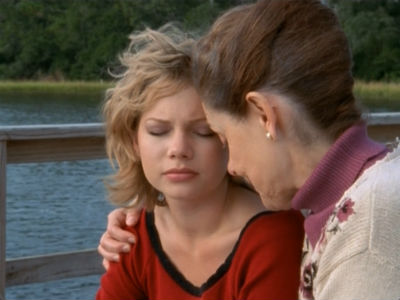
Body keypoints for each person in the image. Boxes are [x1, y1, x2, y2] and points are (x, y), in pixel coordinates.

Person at [99, 1, 400, 299]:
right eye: (159, 131)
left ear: (264, 115)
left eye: (217, 133)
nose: (232, 166)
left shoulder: (367, 238)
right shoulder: (367, 196)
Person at [96, 24, 304, 300]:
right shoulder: (130, 237)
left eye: (203, 132)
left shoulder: (276, 234)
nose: (178, 150)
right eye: (158, 131)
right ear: (135, 143)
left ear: (230, 138)